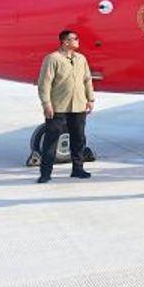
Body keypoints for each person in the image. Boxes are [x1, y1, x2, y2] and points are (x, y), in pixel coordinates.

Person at [35, 29, 95, 183]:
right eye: (74, 39)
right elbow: (44, 83)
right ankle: (45, 173)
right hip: (58, 107)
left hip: (78, 106)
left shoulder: (81, 59)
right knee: (51, 141)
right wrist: (46, 103)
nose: (77, 41)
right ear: (65, 42)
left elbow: (87, 79)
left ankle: (78, 169)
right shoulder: (52, 59)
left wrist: (90, 99)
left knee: (79, 139)